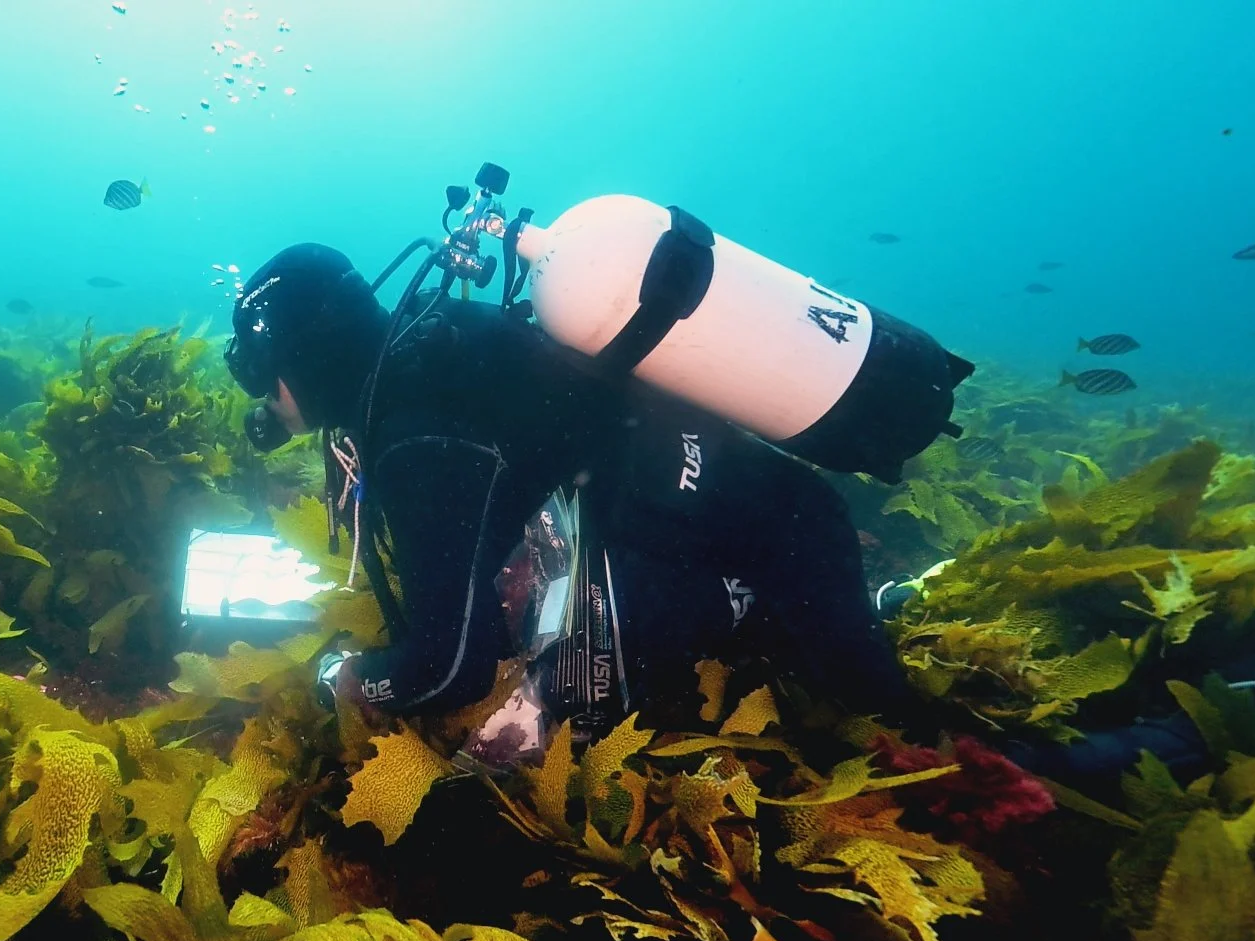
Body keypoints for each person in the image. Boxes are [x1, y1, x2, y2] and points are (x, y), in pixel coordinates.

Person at [224, 242, 917, 741]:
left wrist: (343, 677)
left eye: (261, 373)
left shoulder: (415, 435)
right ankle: (861, 610)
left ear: (311, 360)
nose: (264, 400)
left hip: (782, 547)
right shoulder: (438, 340)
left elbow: (446, 671)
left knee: (894, 724)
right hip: (754, 517)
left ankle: (876, 630)